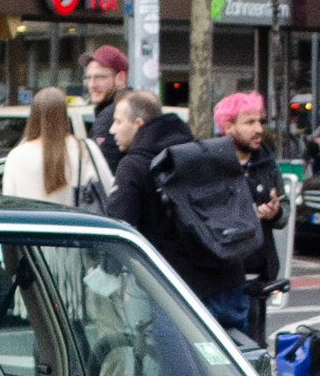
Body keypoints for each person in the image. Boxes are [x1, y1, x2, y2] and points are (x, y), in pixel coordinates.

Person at [107, 91, 261, 332]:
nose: (111, 130)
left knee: (179, 369)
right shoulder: (199, 151)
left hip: (179, 294)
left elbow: (116, 228)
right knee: (233, 366)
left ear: (139, 124)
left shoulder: (134, 165)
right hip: (230, 282)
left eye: (118, 121)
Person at [214, 91, 286, 342]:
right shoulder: (211, 162)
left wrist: (276, 212)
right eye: (249, 122)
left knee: (254, 347)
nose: (258, 129)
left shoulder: (266, 161)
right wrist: (250, 215)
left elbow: (283, 214)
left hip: (257, 276)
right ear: (228, 125)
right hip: (222, 278)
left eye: (260, 121)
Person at [1, 86, 89, 205]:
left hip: (31, 223)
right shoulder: (82, 149)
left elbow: (9, 203)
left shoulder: (17, 156)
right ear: (64, 114)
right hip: (73, 222)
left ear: (33, 115)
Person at [82, 45, 132, 165]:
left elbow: (101, 171)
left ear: (121, 78)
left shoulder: (109, 117)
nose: (92, 85)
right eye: (88, 78)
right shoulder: (135, 106)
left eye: (100, 77)